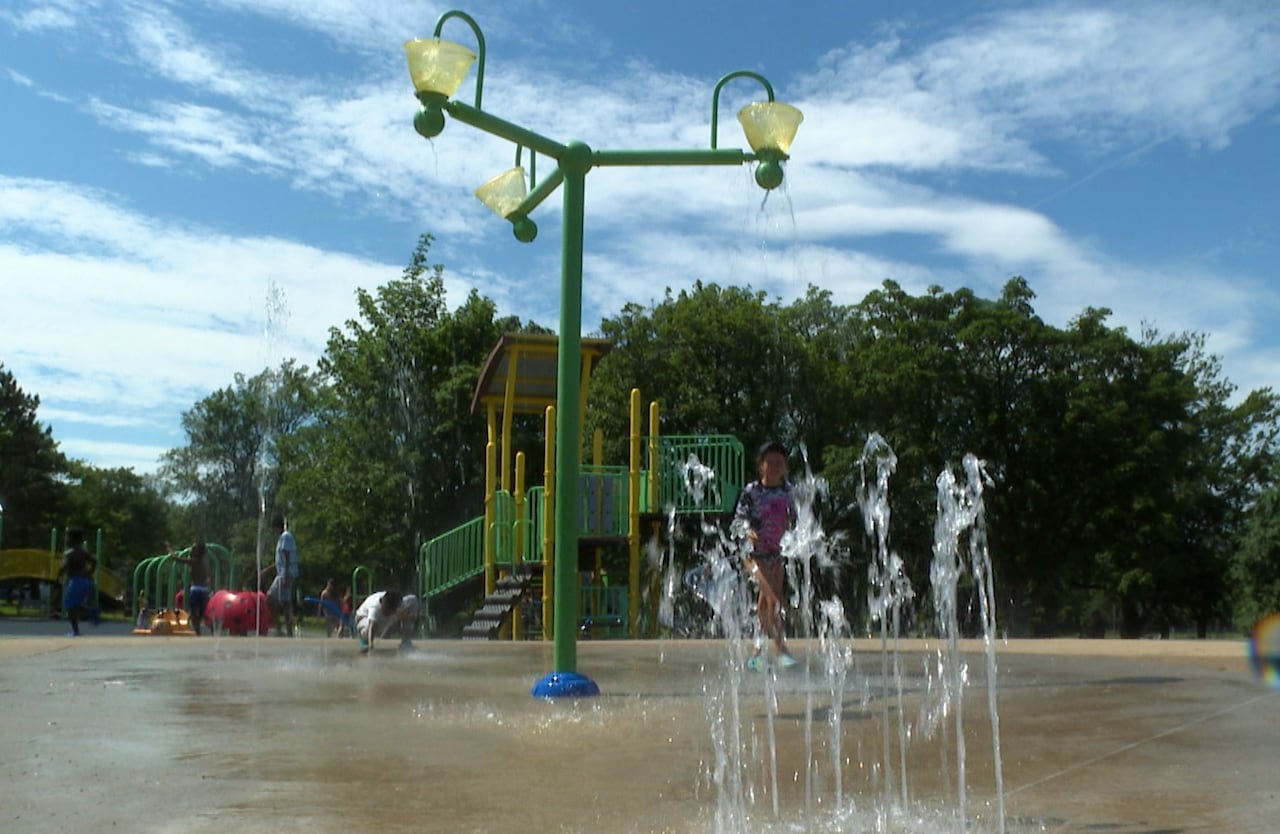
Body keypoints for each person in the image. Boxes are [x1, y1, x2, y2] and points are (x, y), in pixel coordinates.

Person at [732, 441, 799, 670]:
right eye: (770, 462)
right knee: (773, 600)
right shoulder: (752, 491)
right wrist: (746, 530)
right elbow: (738, 520)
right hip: (753, 554)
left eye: (779, 463)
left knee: (766, 604)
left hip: (776, 554)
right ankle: (781, 649)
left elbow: (797, 520)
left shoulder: (788, 491)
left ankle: (756, 654)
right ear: (761, 465)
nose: (775, 467)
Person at [259, 514, 299, 636]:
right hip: (284, 573)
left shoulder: (285, 537)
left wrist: (286, 575)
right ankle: (287, 631)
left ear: (277, 527)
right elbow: (280, 560)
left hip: (284, 574)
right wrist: (268, 569)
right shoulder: (284, 537)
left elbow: (286, 556)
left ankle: (281, 629)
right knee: (286, 603)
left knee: (271, 598)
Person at [57, 528, 98, 637]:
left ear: (72, 539)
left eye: (67, 537)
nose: (66, 539)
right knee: (76, 604)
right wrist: (91, 572)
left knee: (70, 606)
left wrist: (58, 577)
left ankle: (76, 631)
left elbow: (63, 567)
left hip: (76, 581)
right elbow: (94, 561)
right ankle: (92, 611)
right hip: (87, 580)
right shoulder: (84, 552)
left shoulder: (69, 553)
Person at [353, 590, 419, 654]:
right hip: (363, 619)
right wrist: (371, 645)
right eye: (388, 611)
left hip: (385, 620)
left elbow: (407, 612)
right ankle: (365, 640)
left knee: (413, 600)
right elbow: (372, 625)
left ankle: (406, 642)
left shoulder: (398, 602)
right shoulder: (374, 607)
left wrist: (409, 618)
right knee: (368, 626)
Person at [171, 542, 212, 636]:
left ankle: (197, 629)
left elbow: (176, 559)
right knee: (202, 611)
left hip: (195, 590)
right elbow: (208, 576)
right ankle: (201, 625)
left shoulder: (193, 561)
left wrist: (170, 550)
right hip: (204, 590)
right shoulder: (205, 562)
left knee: (193, 611)